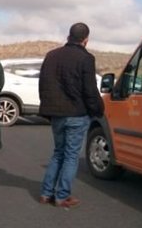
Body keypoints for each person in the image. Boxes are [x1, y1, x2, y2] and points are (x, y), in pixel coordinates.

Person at [38, 22, 104, 209]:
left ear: (69, 36)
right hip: (76, 113)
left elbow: (43, 84)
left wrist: (47, 109)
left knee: (58, 153)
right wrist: (98, 110)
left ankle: (46, 193)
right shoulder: (86, 58)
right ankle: (62, 196)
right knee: (70, 156)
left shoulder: (51, 56)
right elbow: (90, 90)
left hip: (56, 113)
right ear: (86, 40)